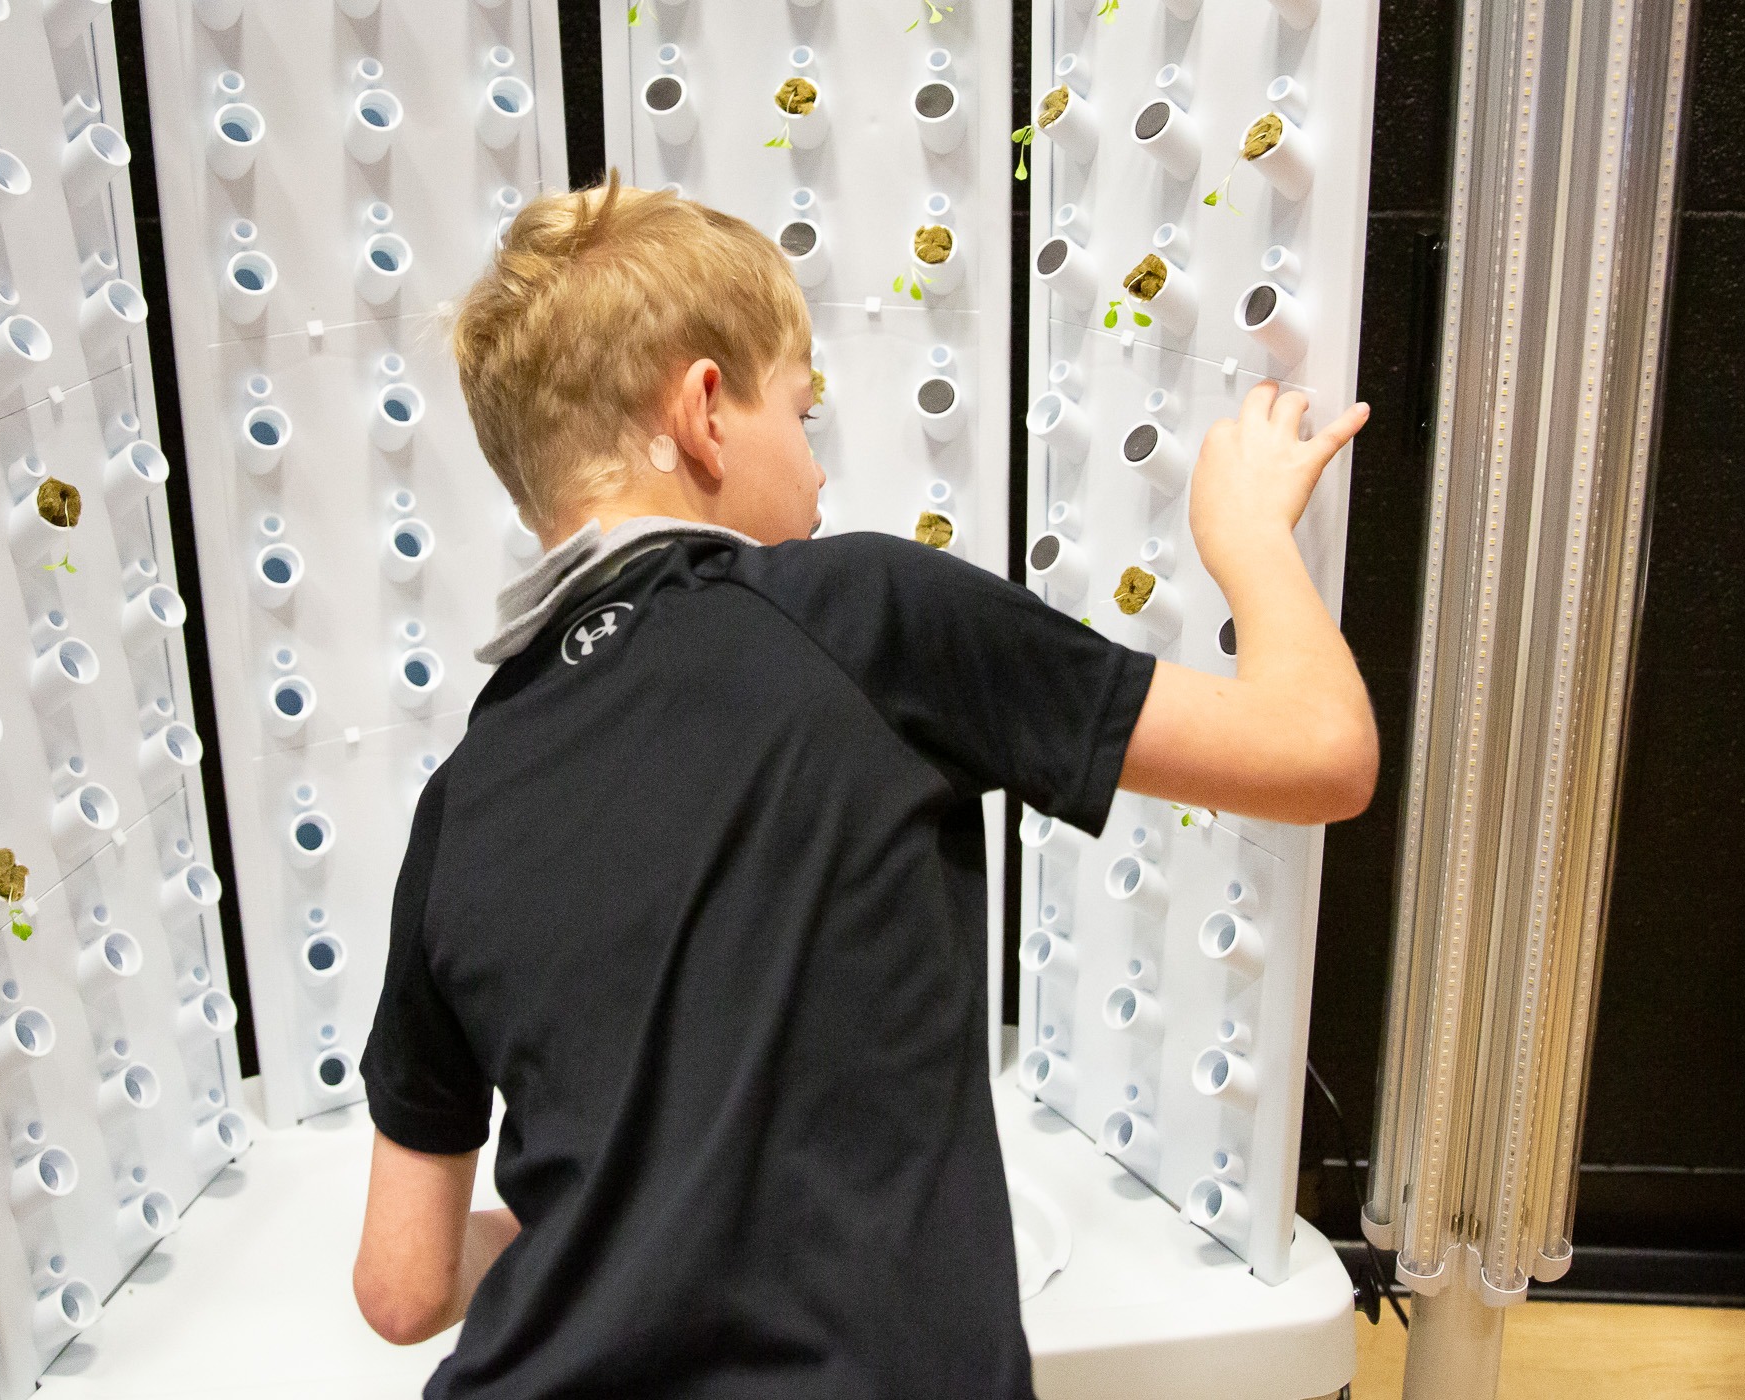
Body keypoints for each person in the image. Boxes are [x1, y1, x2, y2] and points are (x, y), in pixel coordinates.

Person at [351, 174, 1376, 1398]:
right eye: (805, 408)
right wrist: (1252, 536)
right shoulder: (863, 614)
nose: (821, 472)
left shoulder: (464, 791)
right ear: (705, 411)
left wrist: (612, 1234)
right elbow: (1321, 750)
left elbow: (401, 1286)